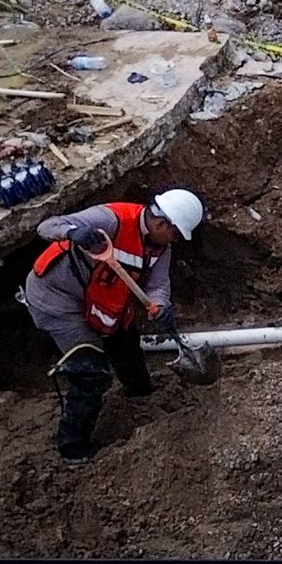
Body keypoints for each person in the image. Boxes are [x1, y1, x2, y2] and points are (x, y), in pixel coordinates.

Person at [22, 188, 205, 463]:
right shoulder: (110, 219)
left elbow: (157, 285)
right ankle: (72, 447)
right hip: (58, 301)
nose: (176, 240)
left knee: (128, 346)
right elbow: (48, 226)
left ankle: (139, 396)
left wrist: (161, 307)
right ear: (161, 223)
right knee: (91, 373)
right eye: (176, 233)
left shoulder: (160, 248)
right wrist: (74, 233)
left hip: (103, 301)